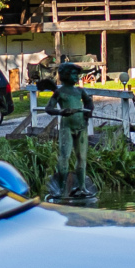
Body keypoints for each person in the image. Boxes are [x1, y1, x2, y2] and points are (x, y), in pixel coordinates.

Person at [48, 63, 92, 196]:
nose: (76, 77)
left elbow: (89, 102)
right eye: (73, 74)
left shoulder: (80, 91)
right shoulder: (59, 92)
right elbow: (48, 108)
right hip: (66, 127)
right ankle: (61, 188)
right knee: (64, 156)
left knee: (82, 157)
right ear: (66, 75)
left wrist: (87, 113)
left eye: (77, 74)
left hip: (81, 127)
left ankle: (82, 187)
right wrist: (61, 112)